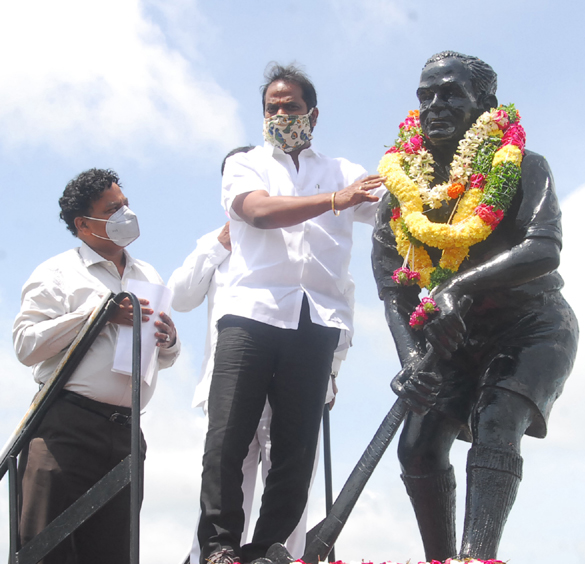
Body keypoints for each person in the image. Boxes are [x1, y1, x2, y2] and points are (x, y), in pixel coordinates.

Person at [372, 51, 579, 560]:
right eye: (426, 96)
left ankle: (475, 557)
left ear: (484, 105)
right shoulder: (405, 192)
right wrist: (412, 363)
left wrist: (458, 288)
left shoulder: (524, 166)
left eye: (451, 95)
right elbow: (394, 289)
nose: (435, 106)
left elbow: (544, 246)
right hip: (455, 340)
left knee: (496, 420)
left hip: (532, 327)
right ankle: (440, 559)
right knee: (416, 446)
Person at [195, 63, 386, 564]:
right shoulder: (246, 164)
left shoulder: (344, 171)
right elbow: (257, 211)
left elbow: (394, 209)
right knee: (227, 438)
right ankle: (219, 548)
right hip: (250, 313)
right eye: (271, 108)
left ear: (313, 114)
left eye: (291, 106)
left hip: (317, 320)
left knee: (296, 448)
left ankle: (268, 549)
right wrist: (333, 202)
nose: (281, 115)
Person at [170, 148, 355, 563]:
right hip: (233, 372)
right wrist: (218, 246)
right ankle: (216, 553)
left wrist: (331, 370)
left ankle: (272, 555)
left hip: (294, 365)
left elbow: (338, 297)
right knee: (228, 465)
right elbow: (180, 296)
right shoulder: (216, 242)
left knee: (291, 466)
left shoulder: (299, 233)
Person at [12, 168, 180, 564]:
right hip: (66, 429)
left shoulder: (147, 274)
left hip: (125, 432)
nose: (126, 214)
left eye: (125, 204)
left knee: (115, 552)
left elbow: (165, 356)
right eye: (113, 209)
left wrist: (169, 339)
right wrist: (99, 315)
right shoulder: (57, 272)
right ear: (84, 224)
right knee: (47, 548)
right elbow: (26, 344)